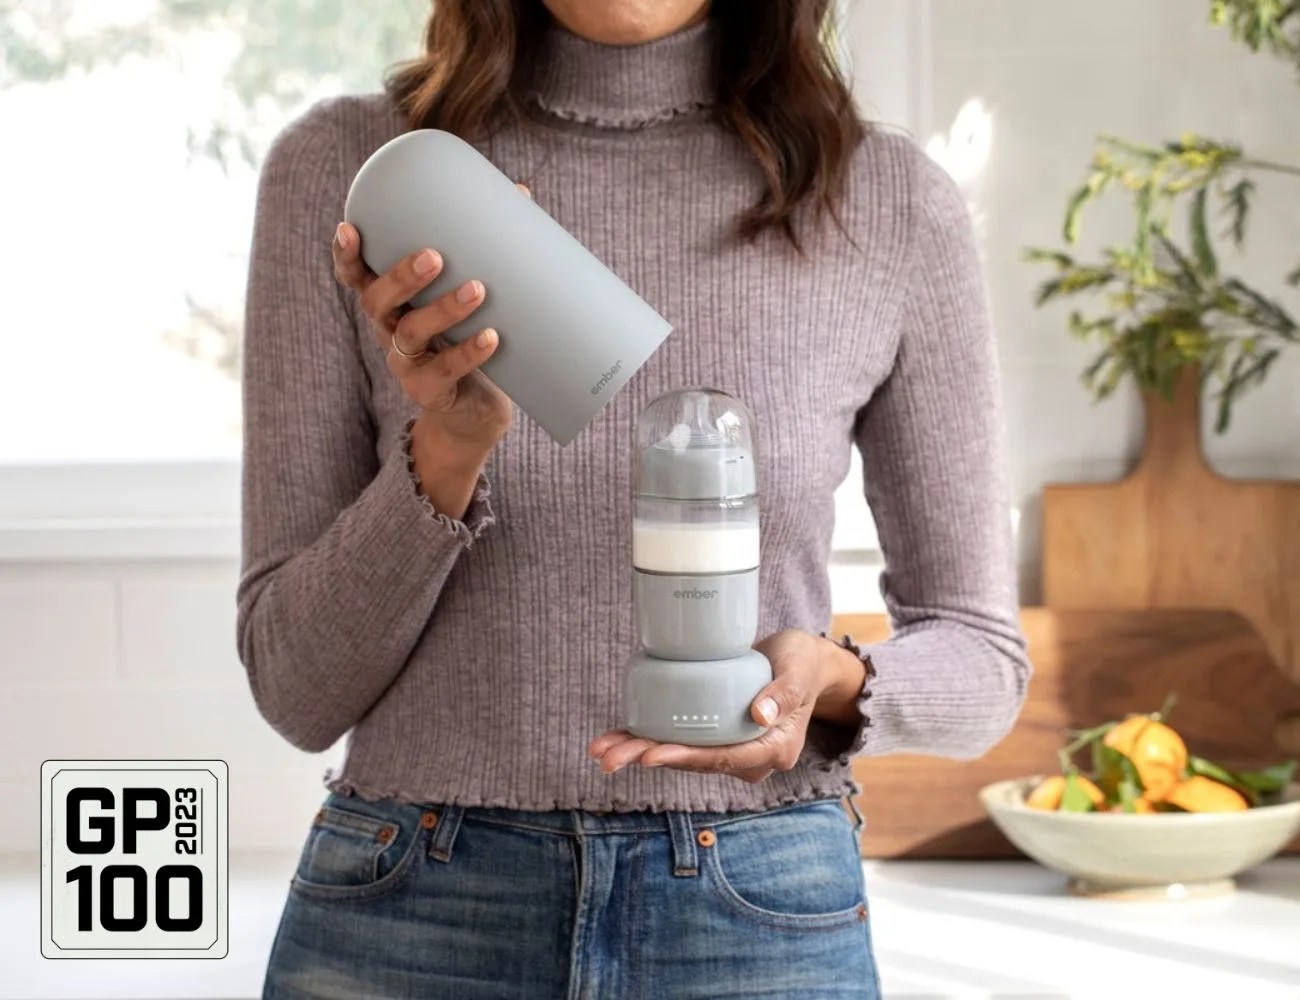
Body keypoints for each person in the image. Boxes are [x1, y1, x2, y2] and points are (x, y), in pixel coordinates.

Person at [238, 0, 1031, 996]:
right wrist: (446, 449)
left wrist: (825, 681)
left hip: (756, 905)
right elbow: (295, 689)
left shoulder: (884, 198)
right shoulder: (361, 176)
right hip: (414, 909)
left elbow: (980, 656)